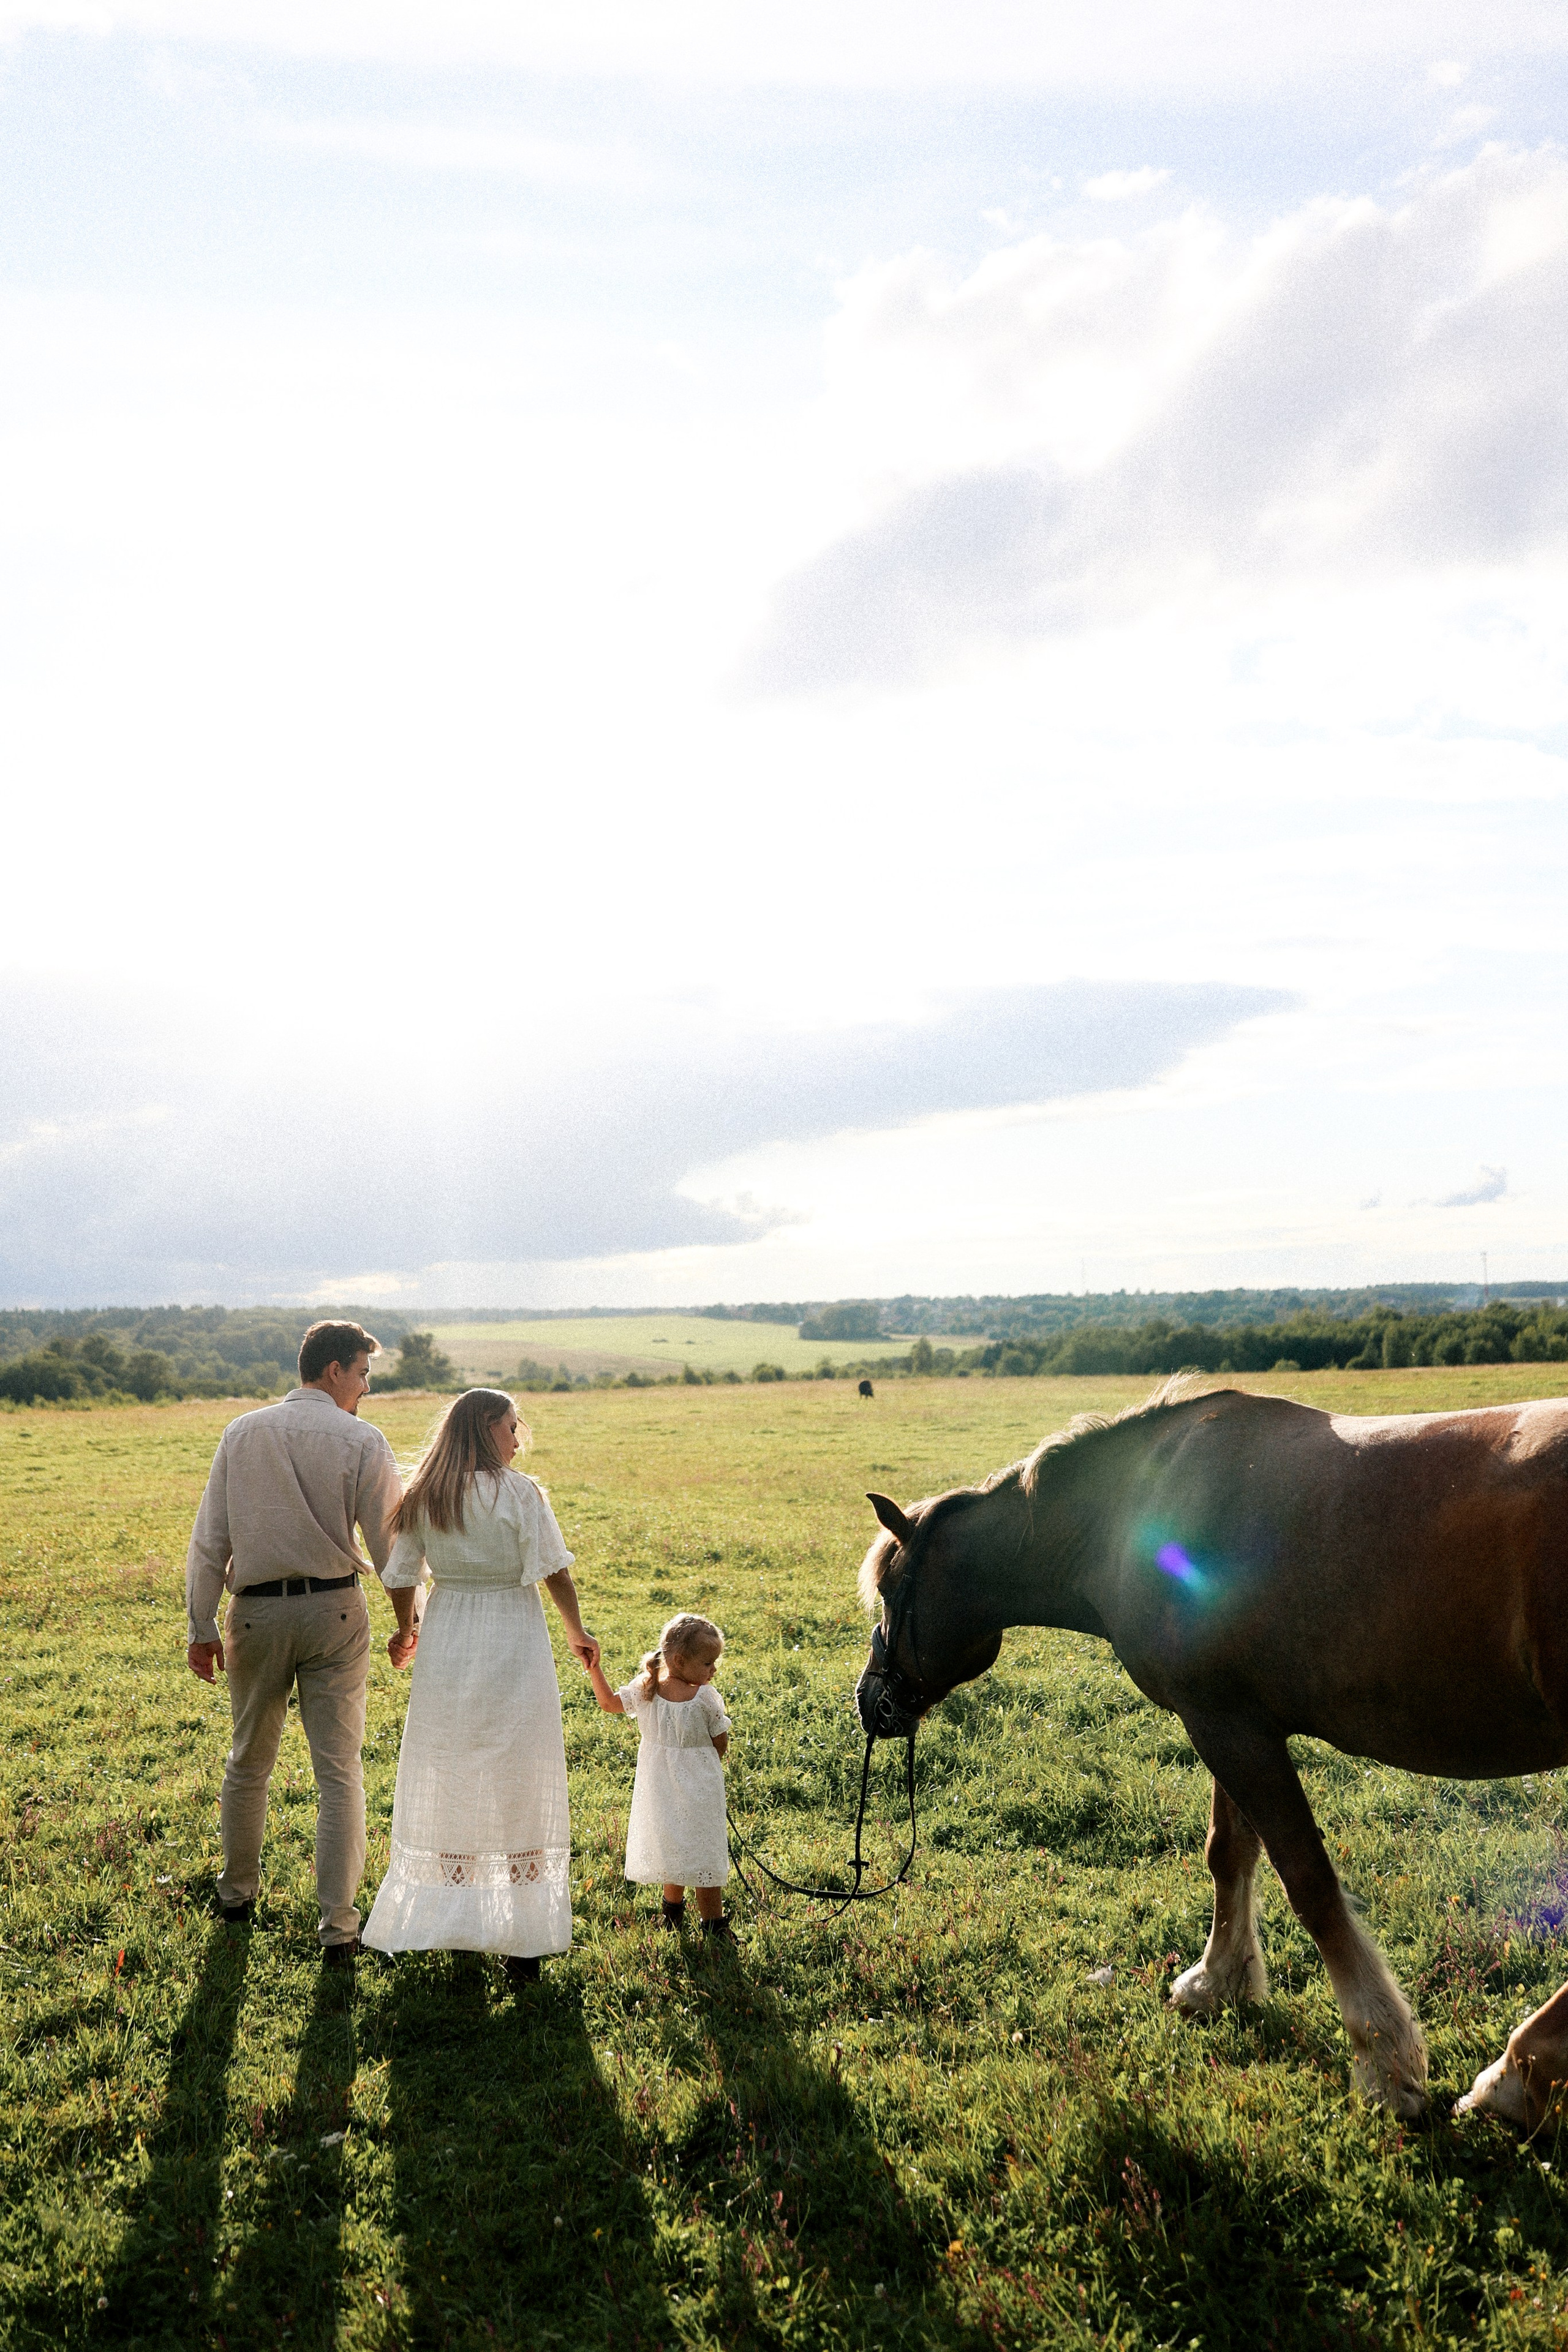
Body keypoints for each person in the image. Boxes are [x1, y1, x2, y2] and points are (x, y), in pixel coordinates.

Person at [361, 1389, 597, 1985]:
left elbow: (400, 1574)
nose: (517, 1440)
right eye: (511, 1428)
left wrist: (406, 1626)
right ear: (486, 1429)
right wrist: (577, 1630)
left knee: (455, 1769)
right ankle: (523, 1940)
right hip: (512, 1634)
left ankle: (459, 1923)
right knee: (518, 1772)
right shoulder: (520, 1493)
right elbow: (553, 1569)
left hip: (449, 1639)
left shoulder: (426, 1496)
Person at [185, 1319, 401, 1966]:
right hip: (335, 1611)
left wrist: (200, 1626)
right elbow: (391, 1546)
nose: (365, 1389)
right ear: (334, 1369)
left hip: (254, 1615)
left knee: (248, 1760)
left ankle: (236, 1894)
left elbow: (209, 1540)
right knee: (339, 1771)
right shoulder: (363, 1439)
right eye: (362, 1374)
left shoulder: (241, 1431)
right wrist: (406, 1621)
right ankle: (339, 1929)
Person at [584, 1611, 735, 1942]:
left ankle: (672, 1912)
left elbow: (609, 1703)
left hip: (658, 1786)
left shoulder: (646, 1688)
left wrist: (595, 1670)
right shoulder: (706, 1698)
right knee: (702, 1850)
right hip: (699, 1787)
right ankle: (713, 1925)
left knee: (672, 1844)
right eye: (708, 1663)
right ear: (680, 1661)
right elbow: (720, 1743)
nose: (714, 1670)